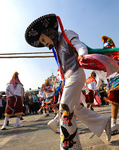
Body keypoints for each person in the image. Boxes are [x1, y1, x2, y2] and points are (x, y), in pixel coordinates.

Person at [25, 14, 111, 149]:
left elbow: (80, 45)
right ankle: (103, 121)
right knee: (76, 108)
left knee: (65, 107)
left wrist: (82, 54)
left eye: (43, 39)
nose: (44, 44)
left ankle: (71, 146)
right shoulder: (56, 47)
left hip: (76, 74)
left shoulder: (66, 34)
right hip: (68, 79)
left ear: (48, 32)